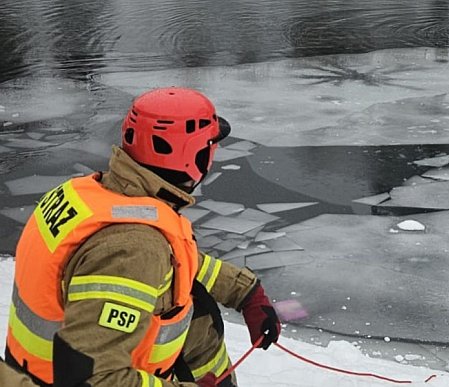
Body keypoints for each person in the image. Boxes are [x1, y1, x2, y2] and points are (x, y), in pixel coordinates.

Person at [2, 87, 281, 387]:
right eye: (209, 146)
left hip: (30, 368)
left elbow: (177, 262)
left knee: (196, 306)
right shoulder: (133, 249)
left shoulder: (97, 194)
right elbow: (93, 379)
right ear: (193, 155)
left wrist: (244, 291)